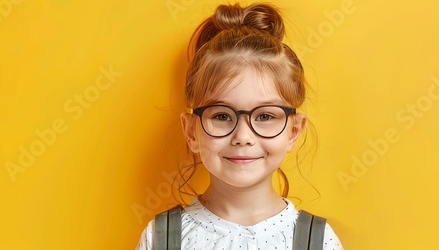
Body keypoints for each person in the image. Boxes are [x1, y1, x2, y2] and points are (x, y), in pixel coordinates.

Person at [137, 2, 343, 249]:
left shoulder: (319, 241)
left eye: (265, 116)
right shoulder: (160, 237)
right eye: (222, 116)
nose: (243, 136)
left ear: (293, 131)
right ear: (191, 131)